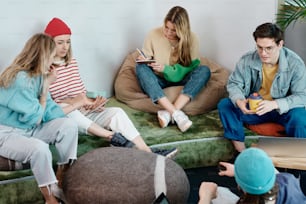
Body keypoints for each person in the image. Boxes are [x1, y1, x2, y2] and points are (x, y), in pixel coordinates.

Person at [44, 17, 177, 158]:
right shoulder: (43, 69)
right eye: (60, 43)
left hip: (83, 110)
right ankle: (113, 137)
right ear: (48, 43)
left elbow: (80, 92)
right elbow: (48, 108)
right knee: (69, 111)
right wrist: (77, 102)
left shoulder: (71, 62)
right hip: (67, 116)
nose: (65, 47)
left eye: (68, 42)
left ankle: (148, 152)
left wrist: (93, 102)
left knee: (117, 112)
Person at [0, 33, 78, 204]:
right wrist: (45, 89)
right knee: (40, 149)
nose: (55, 58)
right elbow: (34, 119)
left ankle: (62, 174)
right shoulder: (20, 79)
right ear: (43, 55)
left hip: (27, 129)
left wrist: (78, 105)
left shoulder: (38, 76)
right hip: (6, 134)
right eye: (53, 54)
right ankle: (50, 198)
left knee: (69, 126)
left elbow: (49, 112)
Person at [218, 22, 306, 153]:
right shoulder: (247, 60)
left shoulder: (295, 63)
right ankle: (243, 154)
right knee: (225, 105)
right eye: (259, 47)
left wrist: (274, 104)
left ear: (280, 44)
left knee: (300, 117)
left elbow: (302, 96)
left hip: (282, 110)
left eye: (269, 48)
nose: (263, 53)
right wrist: (239, 100)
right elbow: (234, 83)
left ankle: (298, 163)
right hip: (255, 108)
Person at [136, 6, 211, 132]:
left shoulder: (192, 39)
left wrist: (166, 69)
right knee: (140, 67)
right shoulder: (153, 34)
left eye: (174, 31)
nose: (168, 33)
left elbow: (190, 67)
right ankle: (176, 114)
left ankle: (167, 113)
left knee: (204, 71)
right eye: (166, 28)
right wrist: (144, 58)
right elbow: (147, 56)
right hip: (159, 79)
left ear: (182, 30)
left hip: (182, 79)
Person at [198, 148, 306, 204]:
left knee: (220, 192)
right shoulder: (289, 179)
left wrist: (205, 197)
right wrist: (239, 172)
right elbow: (270, 173)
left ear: (241, 186)